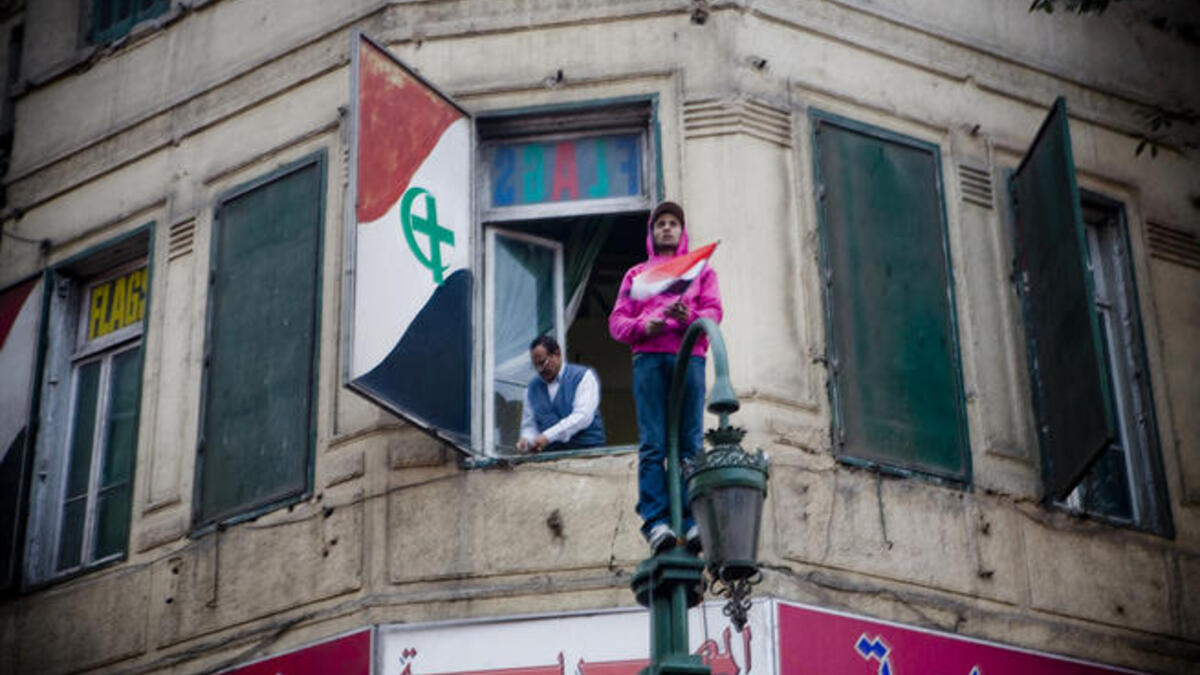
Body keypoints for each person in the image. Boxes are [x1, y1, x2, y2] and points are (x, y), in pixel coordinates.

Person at [608, 200, 722, 554]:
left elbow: (713, 313)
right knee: (653, 444)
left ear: (682, 230)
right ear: (652, 233)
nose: (667, 228)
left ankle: (691, 522)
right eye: (661, 224)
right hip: (649, 360)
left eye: (673, 223)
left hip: (691, 358)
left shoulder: (701, 271)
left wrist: (687, 315)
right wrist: (645, 325)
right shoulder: (636, 275)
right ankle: (656, 522)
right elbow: (617, 323)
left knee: (690, 443)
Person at [516, 335, 606, 452]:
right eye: (536, 366)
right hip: (551, 456)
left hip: (587, 451)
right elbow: (530, 424)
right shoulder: (531, 389)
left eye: (543, 363)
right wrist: (527, 440)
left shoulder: (583, 377)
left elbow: (583, 417)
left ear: (557, 354)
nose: (540, 370)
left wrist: (548, 436)